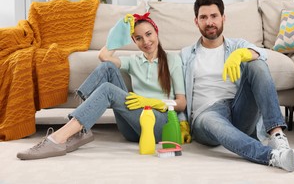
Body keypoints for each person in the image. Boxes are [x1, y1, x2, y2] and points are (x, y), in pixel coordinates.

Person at [17, 13, 186, 160]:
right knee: (108, 67)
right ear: (133, 40)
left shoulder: (173, 60)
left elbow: (181, 103)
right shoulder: (134, 61)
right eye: (139, 38)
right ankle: (80, 127)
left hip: (159, 124)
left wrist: (150, 102)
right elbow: (103, 56)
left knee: (107, 89)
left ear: (156, 32)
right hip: (133, 128)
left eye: (149, 34)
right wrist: (118, 32)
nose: (146, 41)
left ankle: (57, 139)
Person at [180, 0, 294, 172]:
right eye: (203, 17)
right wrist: (182, 122)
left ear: (223, 18)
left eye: (214, 16)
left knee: (256, 64)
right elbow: (178, 89)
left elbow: (262, 54)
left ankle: (277, 135)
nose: (209, 22)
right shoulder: (186, 54)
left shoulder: (237, 45)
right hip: (206, 114)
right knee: (213, 121)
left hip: (238, 109)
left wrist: (241, 54)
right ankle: (272, 156)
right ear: (196, 22)